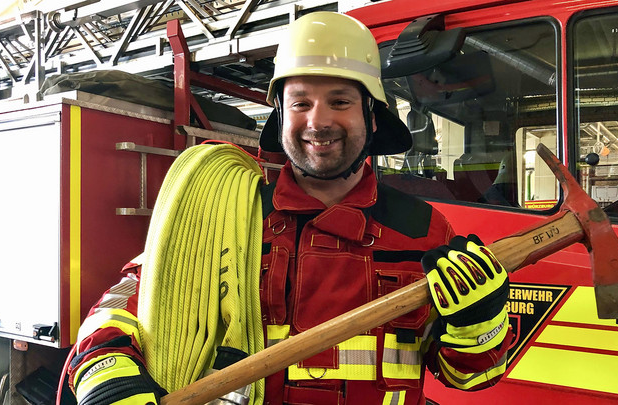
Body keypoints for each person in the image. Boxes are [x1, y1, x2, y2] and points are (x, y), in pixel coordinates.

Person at [62, 11, 512, 405]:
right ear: (281, 119)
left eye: (340, 101)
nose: (318, 121)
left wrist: (479, 323)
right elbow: (121, 303)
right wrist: (108, 379)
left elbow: (469, 377)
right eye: (301, 103)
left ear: (371, 117)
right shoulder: (226, 212)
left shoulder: (424, 230)